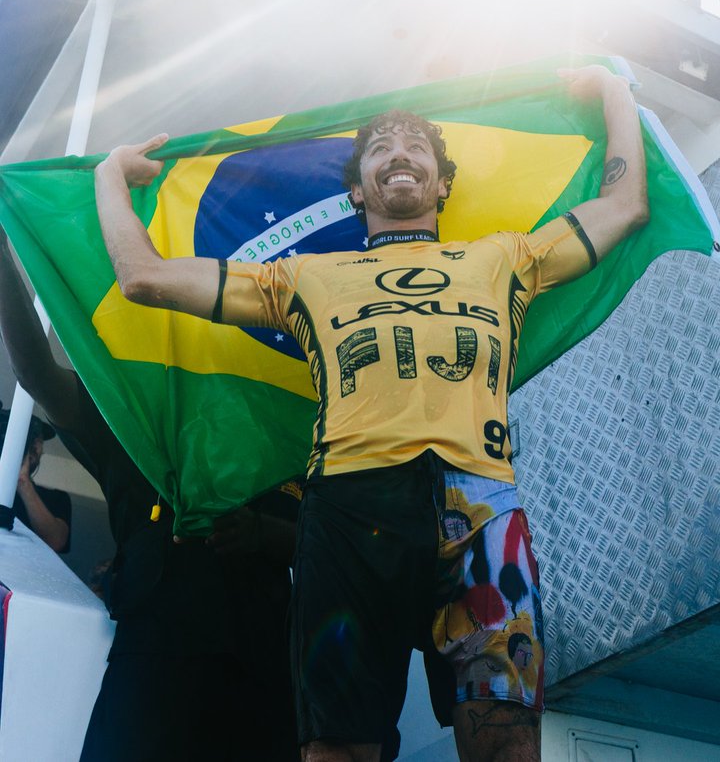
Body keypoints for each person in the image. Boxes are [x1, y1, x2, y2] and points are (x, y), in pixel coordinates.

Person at [94, 64, 649, 762]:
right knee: (337, 753)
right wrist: (109, 176)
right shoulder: (300, 276)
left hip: (480, 512)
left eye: (416, 143)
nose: (400, 152)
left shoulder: (506, 256)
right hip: (350, 513)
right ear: (357, 189)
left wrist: (610, 90)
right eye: (380, 146)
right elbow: (142, 278)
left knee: (508, 747)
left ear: (443, 182)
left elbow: (626, 205)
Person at [0, 226, 300, 761]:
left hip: (264, 671)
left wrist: (263, 535)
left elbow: (331, 541)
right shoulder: (135, 425)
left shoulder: (285, 428)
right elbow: (37, 373)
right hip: (155, 661)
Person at [0, 403, 71, 553]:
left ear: (40, 448)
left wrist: (22, 482)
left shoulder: (57, 498)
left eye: (36, 441)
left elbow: (55, 542)